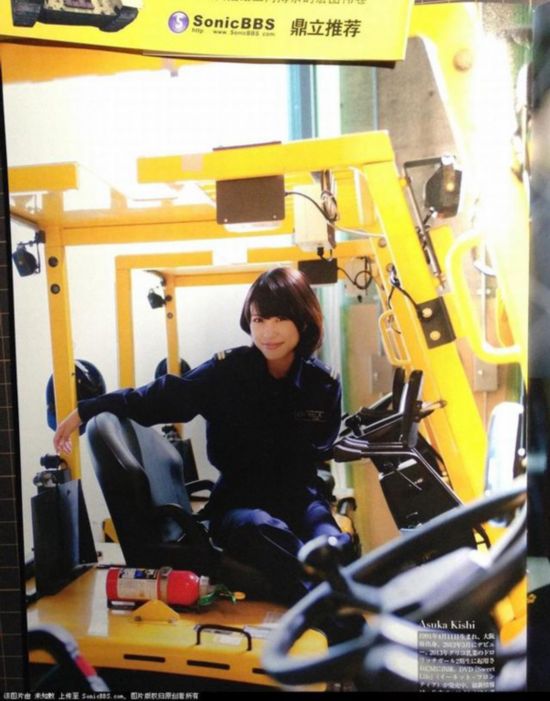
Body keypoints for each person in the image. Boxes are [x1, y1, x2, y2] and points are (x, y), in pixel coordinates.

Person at [54, 267, 351, 605]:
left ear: (303, 321)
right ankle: (328, 603)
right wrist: (88, 409)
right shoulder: (227, 372)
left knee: (336, 544)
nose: (268, 332)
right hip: (240, 503)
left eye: (280, 319)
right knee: (261, 529)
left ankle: (329, 598)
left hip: (300, 500)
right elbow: (161, 396)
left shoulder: (323, 384)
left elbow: (319, 451)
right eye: (259, 320)